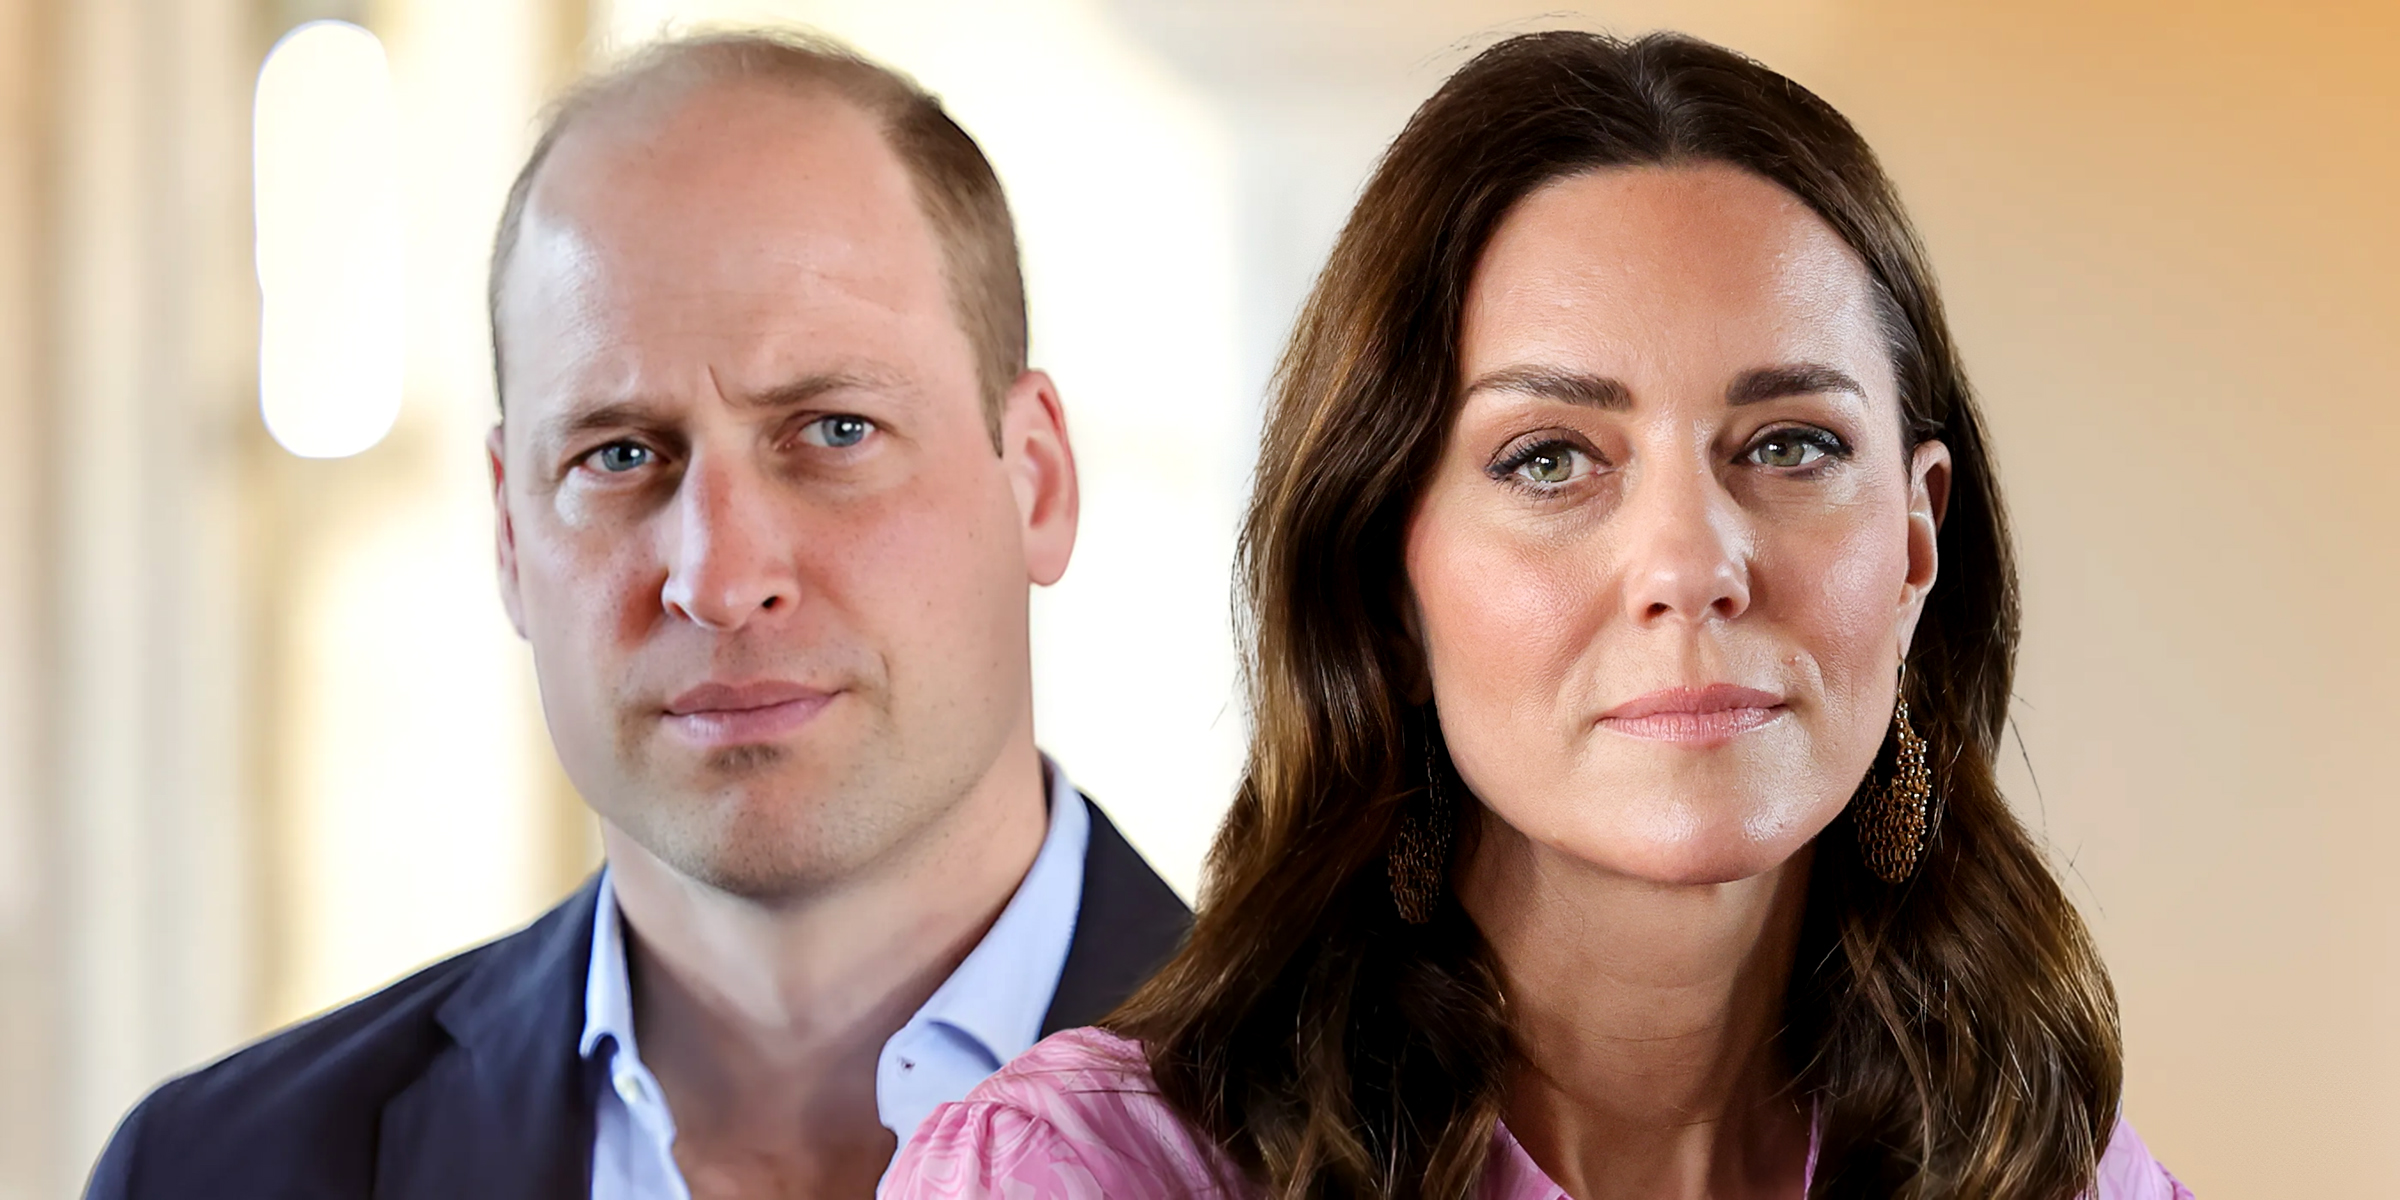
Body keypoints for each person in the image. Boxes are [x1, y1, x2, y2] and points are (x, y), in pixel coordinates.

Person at [890, 30, 2191, 1200]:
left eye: (1789, 444)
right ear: (1385, 585)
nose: (1690, 563)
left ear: (1916, 545)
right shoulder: (1070, 1178)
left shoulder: (2059, 1173)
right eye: (1552, 459)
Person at [86, 31, 1188, 1200]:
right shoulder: (208, 1173)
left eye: (833, 430)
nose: (718, 579)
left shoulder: (1379, 1147)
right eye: (620, 454)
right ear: (512, 540)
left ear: (1037, 483)